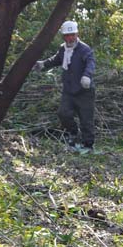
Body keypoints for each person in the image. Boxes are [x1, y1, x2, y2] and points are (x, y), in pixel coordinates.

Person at [35, 20, 96, 154]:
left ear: (77, 34)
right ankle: (73, 134)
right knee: (63, 113)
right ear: (64, 36)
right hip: (69, 90)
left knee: (86, 119)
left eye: (72, 35)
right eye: (67, 36)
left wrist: (87, 75)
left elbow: (90, 63)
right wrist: (43, 64)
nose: (70, 38)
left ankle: (88, 145)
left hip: (84, 91)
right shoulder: (63, 49)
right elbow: (56, 60)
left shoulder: (84, 49)